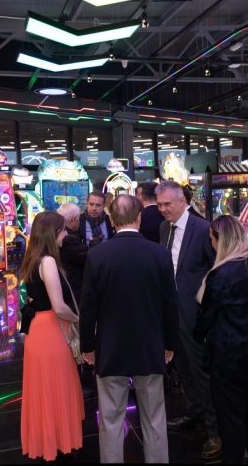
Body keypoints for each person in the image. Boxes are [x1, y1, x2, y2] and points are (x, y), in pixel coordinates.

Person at [80, 195, 178, 463]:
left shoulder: (97, 255)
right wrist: (170, 343)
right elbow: (170, 304)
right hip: (150, 345)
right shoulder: (159, 254)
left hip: (110, 347)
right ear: (139, 218)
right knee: (154, 417)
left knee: (110, 419)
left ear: (112, 220)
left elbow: (88, 307)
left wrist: (87, 346)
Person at [194, 215, 248, 465]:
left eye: (212, 239)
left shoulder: (220, 275)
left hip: (227, 358)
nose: (210, 243)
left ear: (222, 240)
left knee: (231, 418)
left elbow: (206, 317)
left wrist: (196, 335)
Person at [156, 180, 221, 459]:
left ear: (182, 201)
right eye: (159, 205)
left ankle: (215, 430)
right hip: (171, 313)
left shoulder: (203, 229)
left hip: (195, 314)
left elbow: (216, 270)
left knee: (201, 371)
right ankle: (195, 414)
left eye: (167, 204)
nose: (162, 209)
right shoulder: (164, 228)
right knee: (182, 367)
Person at [19, 212, 84, 462]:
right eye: (63, 230)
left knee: (43, 390)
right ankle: (59, 440)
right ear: (53, 233)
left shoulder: (32, 258)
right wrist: (78, 319)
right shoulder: (47, 261)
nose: (66, 234)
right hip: (51, 331)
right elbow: (59, 307)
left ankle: (47, 439)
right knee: (57, 387)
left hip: (38, 329)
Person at [57, 202, 88, 306]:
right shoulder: (69, 239)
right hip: (73, 287)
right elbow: (87, 258)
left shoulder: (57, 234)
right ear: (74, 219)